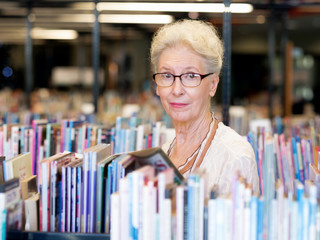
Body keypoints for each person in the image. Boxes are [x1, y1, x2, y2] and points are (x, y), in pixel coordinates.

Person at [150, 19, 259, 196]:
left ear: (213, 84)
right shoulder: (163, 152)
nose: (177, 90)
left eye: (191, 76)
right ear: (157, 84)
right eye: (167, 75)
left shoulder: (235, 158)